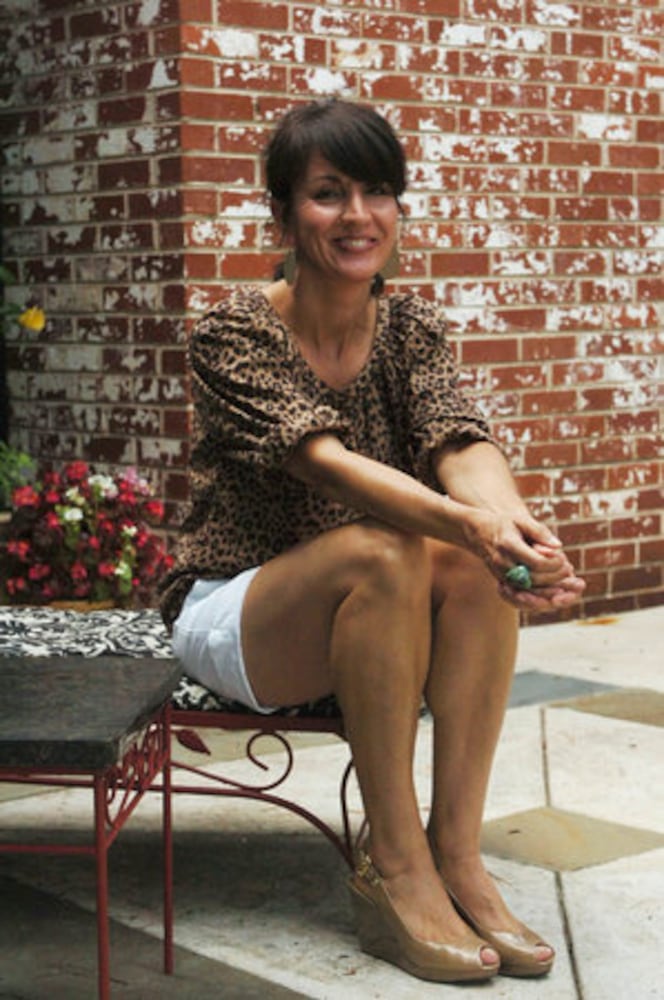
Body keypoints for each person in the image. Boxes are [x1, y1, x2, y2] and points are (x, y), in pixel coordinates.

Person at [160, 99, 585, 984]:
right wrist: (467, 523)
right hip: (237, 615)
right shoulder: (233, 332)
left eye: (378, 191)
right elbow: (326, 463)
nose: (358, 216)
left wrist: (515, 534)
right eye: (328, 194)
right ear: (283, 216)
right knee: (390, 546)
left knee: (465, 563)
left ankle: (456, 853)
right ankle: (393, 868)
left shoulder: (410, 328)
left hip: (371, 603)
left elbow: (458, 440)